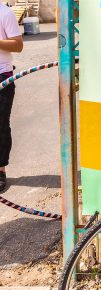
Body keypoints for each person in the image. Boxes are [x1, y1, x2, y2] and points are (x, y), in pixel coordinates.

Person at [0, 3, 23, 191]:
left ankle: (0, 170)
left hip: (2, 76)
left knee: (0, 125)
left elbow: (18, 45)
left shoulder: (4, 13)